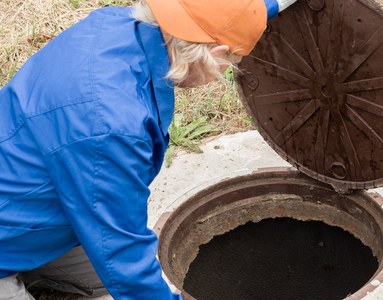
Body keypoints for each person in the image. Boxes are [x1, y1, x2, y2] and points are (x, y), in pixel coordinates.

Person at [0, 0, 295, 299]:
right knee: (131, 275)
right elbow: (121, 252)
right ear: (216, 54)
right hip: (11, 228)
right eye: (228, 64)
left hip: (36, 201)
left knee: (132, 275)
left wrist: (274, 4)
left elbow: (223, 13)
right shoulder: (112, 125)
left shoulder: (114, 24)